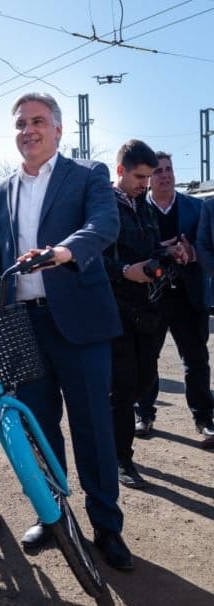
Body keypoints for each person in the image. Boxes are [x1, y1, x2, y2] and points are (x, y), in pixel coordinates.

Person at [0, 92, 133, 570]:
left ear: (58, 129)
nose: (29, 131)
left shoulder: (88, 175)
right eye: (21, 123)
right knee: (38, 428)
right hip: (22, 326)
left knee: (93, 429)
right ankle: (54, 516)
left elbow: (105, 224)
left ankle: (107, 526)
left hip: (79, 323)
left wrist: (64, 251)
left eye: (38, 121)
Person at [104, 142, 189, 489]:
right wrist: (125, 271)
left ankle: (114, 441)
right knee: (123, 389)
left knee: (144, 381)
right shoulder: (103, 207)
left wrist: (168, 252)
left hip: (148, 310)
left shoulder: (144, 206)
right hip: (116, 310)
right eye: (140, 176)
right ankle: (120, 458)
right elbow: (91, 259)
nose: (146, 183)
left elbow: (149, 249)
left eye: (150, 176)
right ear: (121, 170)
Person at [132, 152, 211, 443]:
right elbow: (130, 251)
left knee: (196, 360)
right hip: (151, 298)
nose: (165, 175)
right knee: (146, 359)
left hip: (189, 297)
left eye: (169, 169)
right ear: (148, 178)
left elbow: (208, 248)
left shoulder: (196, 207)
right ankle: (144, 413)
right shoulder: (137, 210)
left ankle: (204, 418)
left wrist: (191, 254)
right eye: (158, 171)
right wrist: (159, 251)